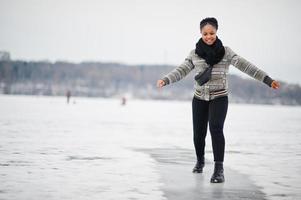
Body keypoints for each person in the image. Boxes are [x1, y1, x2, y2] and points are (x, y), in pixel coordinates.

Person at [156, 17, 280, 183]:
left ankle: (218, 170)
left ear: (216, 32)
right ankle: (200, 161)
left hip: (220, 97)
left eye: (212, 33)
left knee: (216, 128)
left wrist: (267, 79)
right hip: (199, 98)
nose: (208, 36)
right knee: (198, 134)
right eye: (205, 33)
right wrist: (166, 79)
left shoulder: (226, 52)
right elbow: (182, 70)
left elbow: (246, 66)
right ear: (201, 33)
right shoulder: (194, 54)